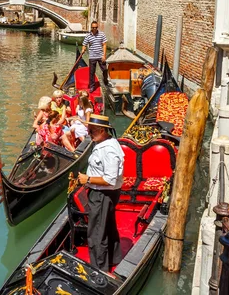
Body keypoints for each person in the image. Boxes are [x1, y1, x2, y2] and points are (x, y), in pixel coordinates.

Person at [78, 114, 124, 272]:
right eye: (88, 130)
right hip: (104, 194)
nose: (89, 134)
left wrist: (87, 179)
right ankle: (114, 257)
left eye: (92, 131)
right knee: (108, 226)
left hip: (102, 195)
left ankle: (99, 270)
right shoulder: (106, 143)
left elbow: (110, 179)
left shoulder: (109, 149)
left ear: (103, 130)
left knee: (97, 232)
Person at [82, 21, 113, 93]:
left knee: (105, 70)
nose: (94, 29)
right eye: (93, 28)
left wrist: (104, 55)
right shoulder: (88, 36)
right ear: (91, 28)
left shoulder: (101, 34)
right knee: (92, 72)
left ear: (97, 27)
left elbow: (104, 44)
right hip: (92, 56)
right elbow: (84, 44)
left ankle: (106, 80)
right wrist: (83, 49)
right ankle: (92, 86)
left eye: (96, 27)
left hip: (100, 56)